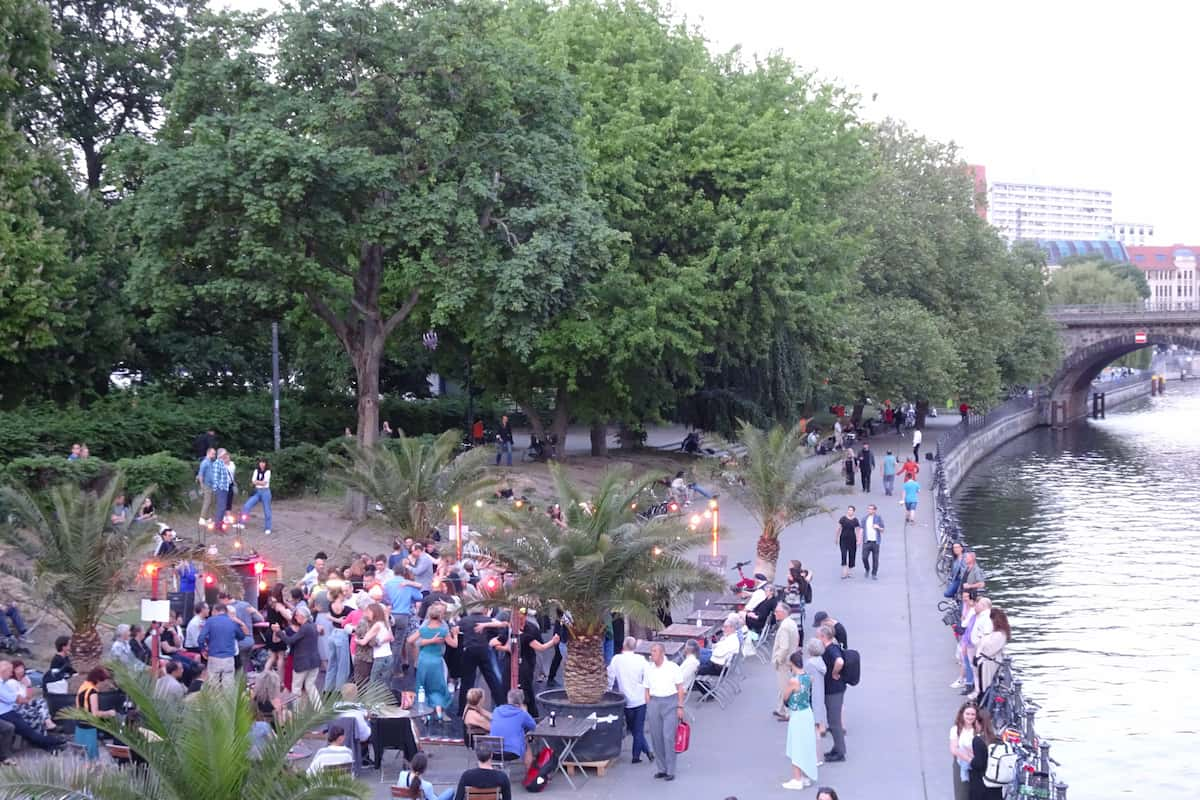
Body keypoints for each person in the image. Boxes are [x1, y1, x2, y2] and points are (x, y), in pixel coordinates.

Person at [644, 642, 686, 782]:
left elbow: (680, 688)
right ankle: (661, 768)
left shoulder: (672, 668)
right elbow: (647, 689)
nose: (652, 654)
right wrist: (648, 704)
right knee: (656, 737)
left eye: (655, 651)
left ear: (662, 653)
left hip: (670, 702)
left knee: (668, 737)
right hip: (654, 702)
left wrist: (680, 706)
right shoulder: (649, 669)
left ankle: (670, 769)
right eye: (651, 651)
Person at [608, 636, 653, 764]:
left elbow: (610, 676)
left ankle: (642, 753)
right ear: (635, 647)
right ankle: (639, 754)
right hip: (640, 699)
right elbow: (648, 676)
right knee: (638, 729)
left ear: (623, 645)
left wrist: (608, 691)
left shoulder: (617, 659)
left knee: (634, 729)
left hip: (626, 699)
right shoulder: (640, 660)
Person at [410, 602, 456, 720]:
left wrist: (427, 640)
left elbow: (410, 640)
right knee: (438, 686)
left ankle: (423, 713)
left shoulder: (423, 629)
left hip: (423, 660)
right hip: (436, 661)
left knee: (422, 684)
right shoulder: (443, 630)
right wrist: (455, 634)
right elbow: (454, 645)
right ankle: (439, 711)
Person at [781, 650, 818, 790]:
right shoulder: (808, 677)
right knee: (806, 743)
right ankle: (805, 775)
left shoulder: (793, 680)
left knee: (796, 745)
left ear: (792, 664)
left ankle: (797, 778)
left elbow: (785, 696)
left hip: (797, 714)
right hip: (807, 712)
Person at [279, 606, 321, 705]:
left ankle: (297, 715)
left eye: (297, 615)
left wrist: (278, 632)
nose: (295, 617)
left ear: (302, 616)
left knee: (296, 688)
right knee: (310, 686)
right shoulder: (313, 625)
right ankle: (320, 709)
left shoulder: (305, 628)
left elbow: (290, 641)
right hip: (314, 662)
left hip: (303, 663)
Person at [816, 625, 846, 762]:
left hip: (834, 690)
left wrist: (834, 673)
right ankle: (837, 748)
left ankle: (840, 752)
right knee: (833, 721)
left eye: (818, 636)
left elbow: (839, 661)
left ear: (823, 637)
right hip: (834, 689)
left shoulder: (830, 650)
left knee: (834, 722)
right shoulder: (833, 647)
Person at [199, 602, 247, 686]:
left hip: (214, 657)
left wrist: (203, 650)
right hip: (229, 658)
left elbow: (201, 638)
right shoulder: (232, 622)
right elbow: (242, 637)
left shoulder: (210, 621)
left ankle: (214, 699)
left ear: (215, 611)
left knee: (213, 685)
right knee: (228, 686)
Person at [73, 666, 114, 758]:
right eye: (101, 681)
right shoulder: (92, 692)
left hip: (79, 726)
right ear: (97, 680)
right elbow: (95, 713)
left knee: (81, 756)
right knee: (91, 758)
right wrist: (109, 713)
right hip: (89, 728)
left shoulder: (82, 686)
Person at [490, 688, 536, 766]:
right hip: (512, 752)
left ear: (508, 699)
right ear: (521, 701)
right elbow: (533, 726)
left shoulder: (497, 710)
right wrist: (525, 711)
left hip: (493, 751)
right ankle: (530, 774)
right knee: (526, 743)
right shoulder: (522, 713)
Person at [771, 603, 801, 721]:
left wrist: (778, 660)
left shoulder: (783, 627)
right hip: (791, 658)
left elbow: (784, 647)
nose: (775, 613)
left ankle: (788, 712)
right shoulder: (791, 622)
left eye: (777, 611)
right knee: (784, 685)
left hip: (784, 661)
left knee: (785, 687)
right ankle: (780, 709)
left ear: (783, 613)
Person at [356, 602, 395, 688]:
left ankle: (372, 701)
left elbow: (364, 642)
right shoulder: (385, 623)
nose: (367, 614)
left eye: (369, 612)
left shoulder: (376, 625)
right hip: (389, 656)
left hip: (379, 657)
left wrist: (356, 640)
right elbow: (391, 638)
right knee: (386, 684)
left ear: (375, 612)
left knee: (373, 684)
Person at [975, 608, 1010, 702]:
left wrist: (983, 639)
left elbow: (987, 649)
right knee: (984, 685)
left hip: (989, 663)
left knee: (986, 686)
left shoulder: (999, 635)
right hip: (986, 662)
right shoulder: (998, 634)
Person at [968, 708, 1004, 800]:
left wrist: (970, 760)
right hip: (996, 783)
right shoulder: (997, 739)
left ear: (977, 722)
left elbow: (979, 763)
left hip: (982, 785)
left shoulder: (978, 740)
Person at [802, 638, 827, 767]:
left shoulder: (809, 664)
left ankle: (814, 757)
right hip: (819, 697)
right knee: (816, 728)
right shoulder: (820, 662)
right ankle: (818, 756)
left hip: (811, 698)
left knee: (811, 729)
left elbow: (804, 680)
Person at [8, 661, 53, 733]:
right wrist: (28, 700)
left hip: (25, 702)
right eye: (18, 669)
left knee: (41, 701)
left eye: (22, 668)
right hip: (16, 706)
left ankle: (48, 722)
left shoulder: (26, 679)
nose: (21, 670)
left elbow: (30, 696)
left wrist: (28, 685)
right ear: (13, 671)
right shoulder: (11, 682)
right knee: (36, 711)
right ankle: (43, 731)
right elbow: (19, 700)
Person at [950, 701, 979, 800]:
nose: (970, 717)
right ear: (962, 714)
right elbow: (954, 749)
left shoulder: (979, 729)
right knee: (962, 793)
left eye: (972, 714)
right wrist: (969, 758)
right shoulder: (956, 729)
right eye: (967, 714)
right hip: (961, 764)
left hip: (977, 766)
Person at [241, 458, 273, 535]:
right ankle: (241, 523)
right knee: (247, 506)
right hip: (257, 492)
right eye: (260, 462)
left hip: (265, 492)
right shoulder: (256, 471)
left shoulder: (268, 471)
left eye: (263, 463)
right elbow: (253, 481)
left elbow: (264, 483)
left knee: (267, 510)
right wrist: (258, 482)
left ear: (266, 464)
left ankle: (268, 528)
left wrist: (257, 482)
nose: (262, 464)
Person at [860, 503, 885, 580]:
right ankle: (867, 569)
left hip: (875, 542)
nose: (869, 510)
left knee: (875, 559)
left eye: (871, 509)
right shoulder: (864, 519)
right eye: (868, 509)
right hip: (866, 541)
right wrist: (859, 539)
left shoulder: (878, 518)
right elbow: (861, 529)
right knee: (864, 557)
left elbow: (883, 529)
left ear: (875, 510)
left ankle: (874, 573)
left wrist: (878, 527)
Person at [835, 506, 860, 580]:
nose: (850, 511)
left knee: (852, 555)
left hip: (852, 539)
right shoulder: (843, 519)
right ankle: (844, 572)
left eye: (851, 510)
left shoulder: (855, 520)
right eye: (849, 510)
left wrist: (858, 539)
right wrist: (836, 538)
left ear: (854, 511)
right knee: (844, 554)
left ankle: (850, 572)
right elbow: (838, 528)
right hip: (843, 539)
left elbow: (857, 530)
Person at [197, 447, 218, 526]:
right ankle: (202, 519)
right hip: (206, 485)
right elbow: (201, 474)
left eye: (215, 454)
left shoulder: (211, 462)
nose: (214, 455)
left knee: (210, 502)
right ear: (209, 453)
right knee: (207, 502)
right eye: (213, 454)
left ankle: (208, 518)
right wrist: (202, 485)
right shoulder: (204, 462)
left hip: (211, 485)